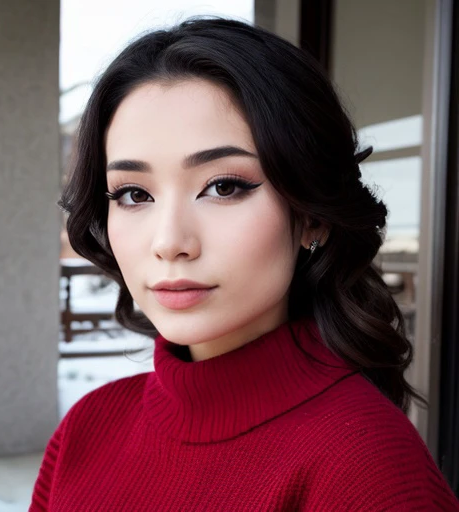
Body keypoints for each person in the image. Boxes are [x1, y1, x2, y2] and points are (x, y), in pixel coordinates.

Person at [29, 17, 459, 511]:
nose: (170, 242)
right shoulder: (87, 429)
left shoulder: (366, 466)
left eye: (224, 186)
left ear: (312, 217)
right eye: (134, 193)